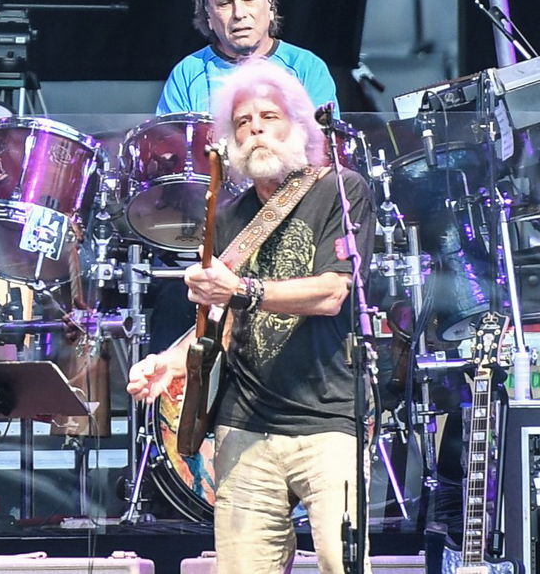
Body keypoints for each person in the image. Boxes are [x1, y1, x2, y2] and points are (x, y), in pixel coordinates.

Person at [127, 60, 374, 574]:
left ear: (299, 127)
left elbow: (332, 293)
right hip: (244, 427)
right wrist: (170, 362)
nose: (255, 129)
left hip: (329, 422)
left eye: (268, 117)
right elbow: (220, 315)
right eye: (242, 122)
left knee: (341, 563)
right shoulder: (228, 216)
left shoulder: (340, 190)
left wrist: (242, 289)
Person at [156, 0, 337, 115]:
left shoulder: (307, 68)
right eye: (224, 3)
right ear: (208, 14)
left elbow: (324, 137)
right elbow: (169, 138)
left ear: (271, 5)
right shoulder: (187, 74)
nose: (239, 13)